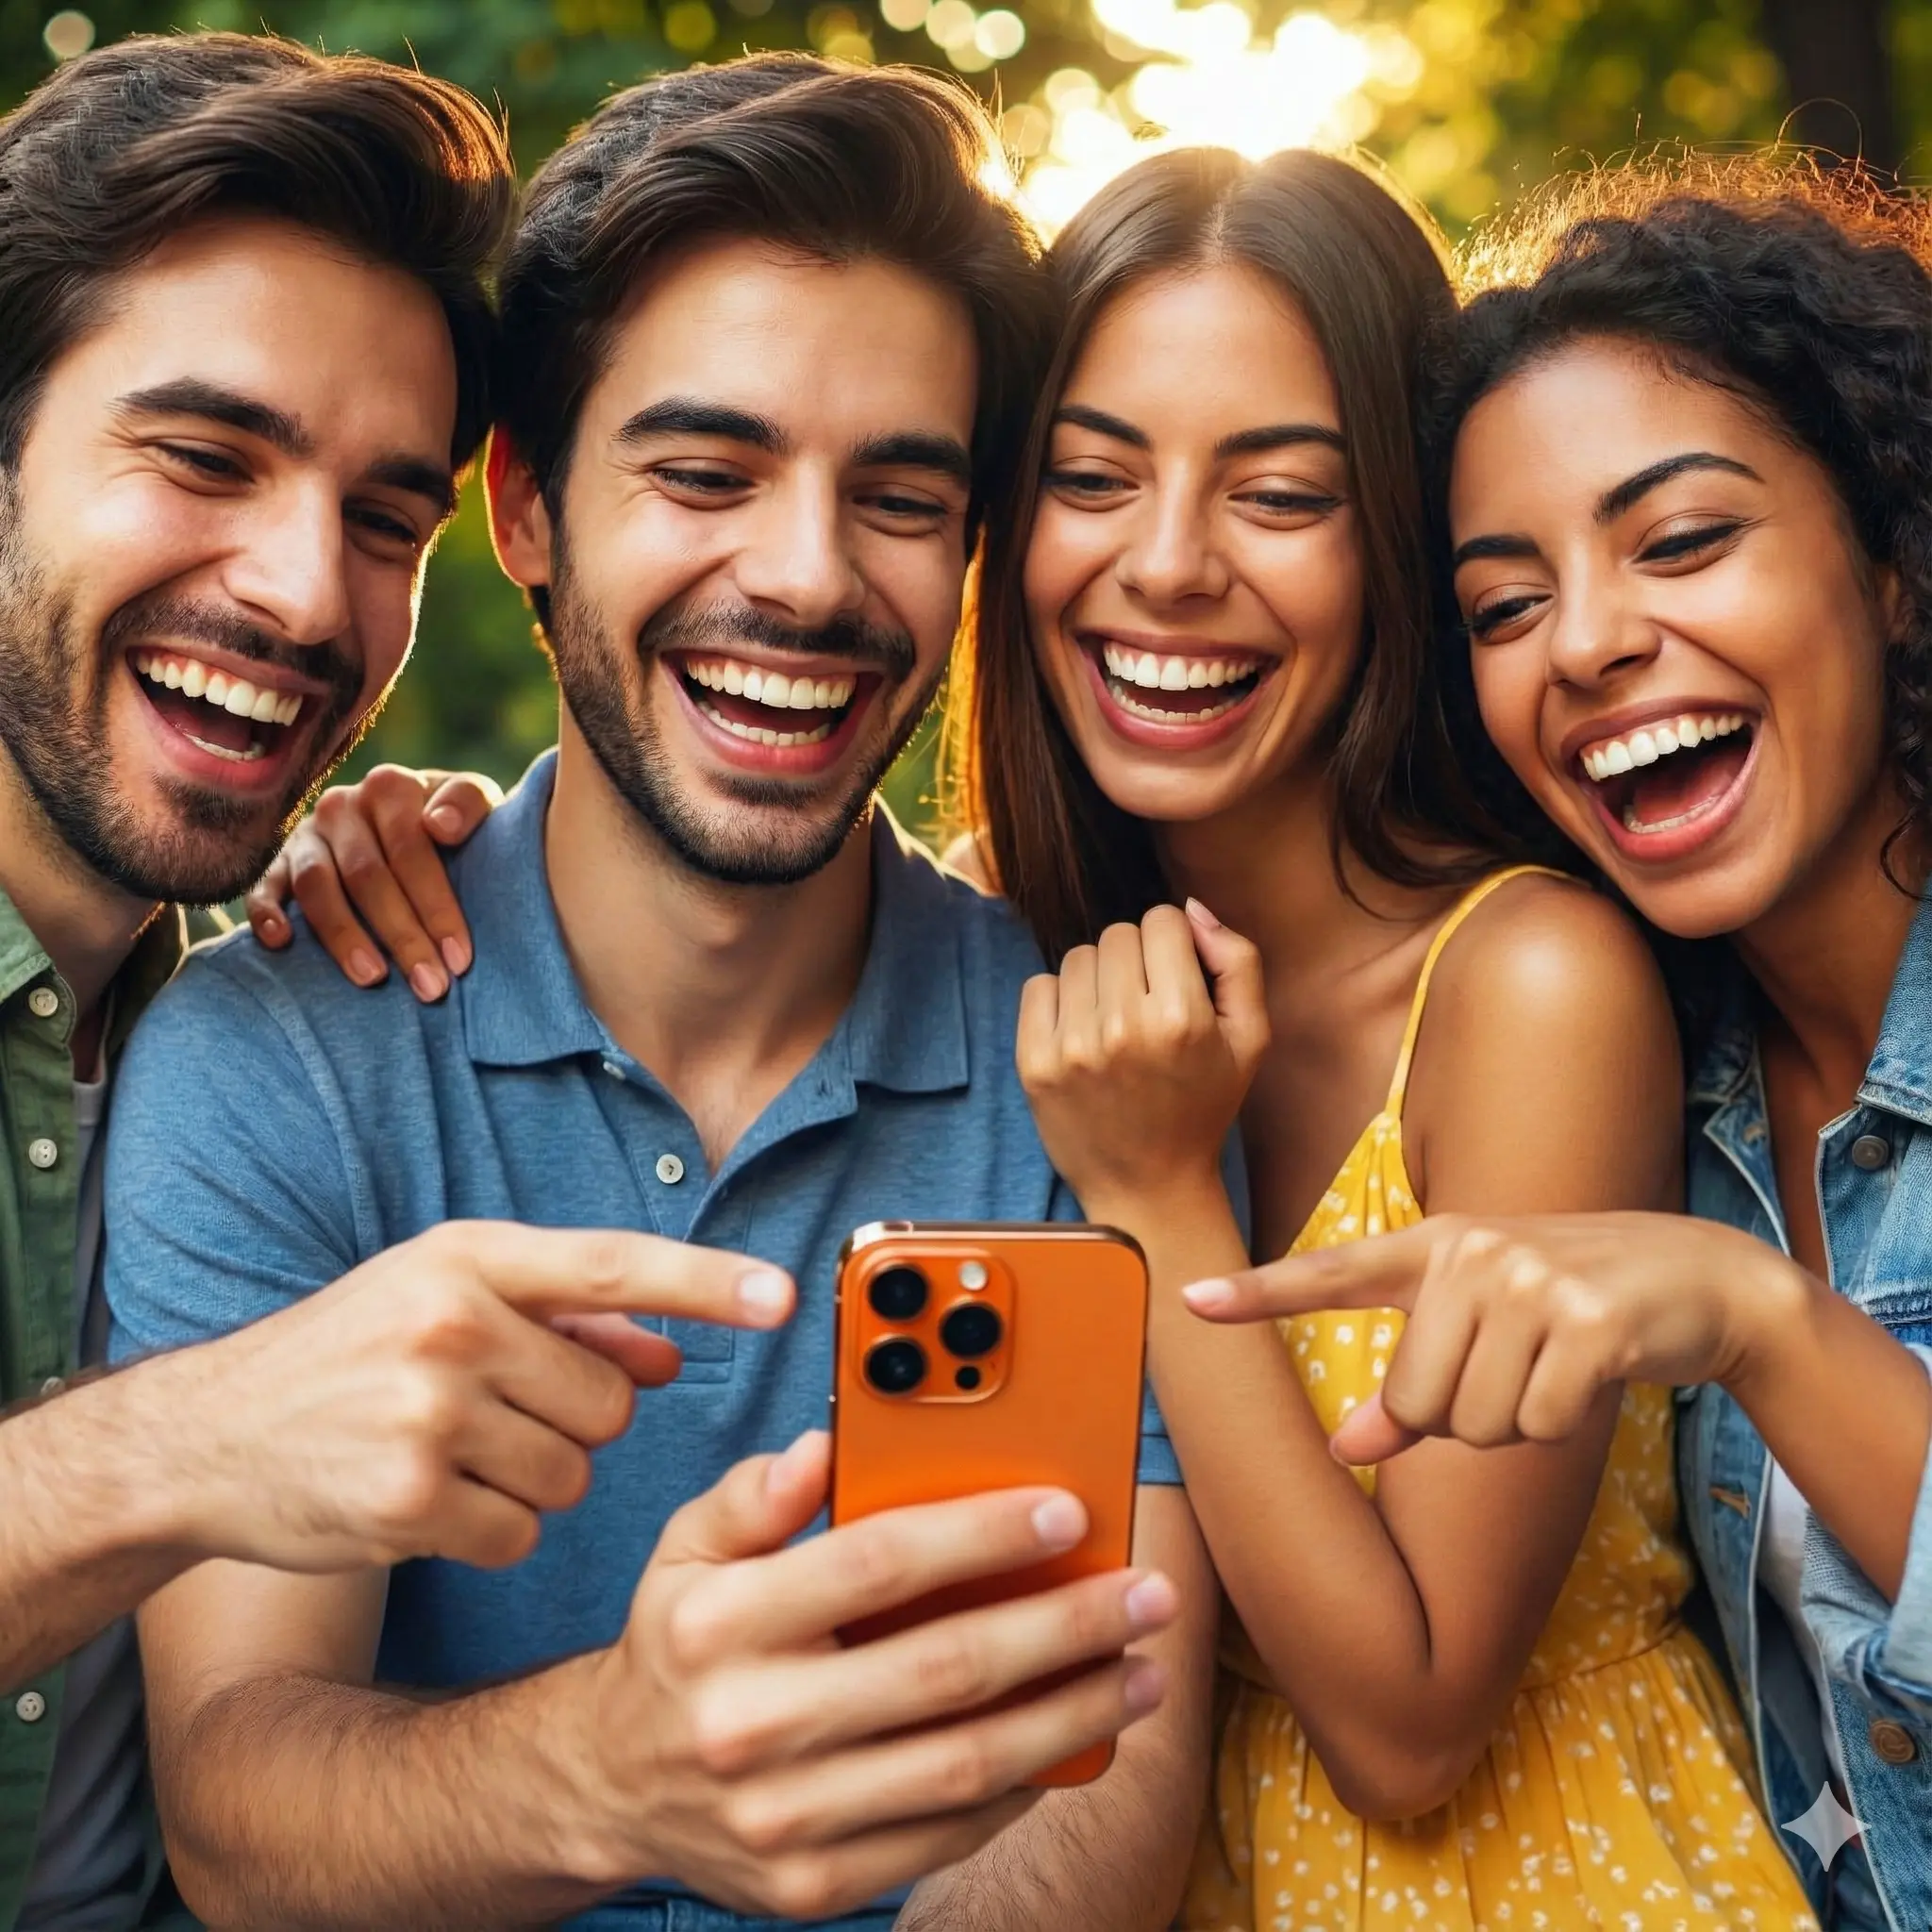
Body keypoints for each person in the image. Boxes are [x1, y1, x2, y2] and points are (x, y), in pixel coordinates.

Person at [105, 55, 1215, 1932]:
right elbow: (235, 1805)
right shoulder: (280, 1055)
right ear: (527, 515)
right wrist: (614, 1758)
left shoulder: (1089, 1071)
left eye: (898, 496)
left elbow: (1093, 1783)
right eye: (706, 473)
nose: (802, 575)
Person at [953, 145, 1817, 1929]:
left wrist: (1164, 1196)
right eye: (1093, 479)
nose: (1168, 565)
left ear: (1402, 548)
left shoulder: (1526, 984)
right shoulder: (992, 933)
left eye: (1278, 495)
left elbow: (1412, 1720)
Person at [0, 36, 792, 1932]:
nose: (296, 594)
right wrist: (191, 1446)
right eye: (204, 457)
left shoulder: (271, 1009)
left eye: (383, 518)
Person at [1183, 160, 1932, 1932]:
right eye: (1507, 605)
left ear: (1894, 563)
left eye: (1682, 542)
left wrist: (1755, 1318)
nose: (1587, 642)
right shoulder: (1656, 1040)